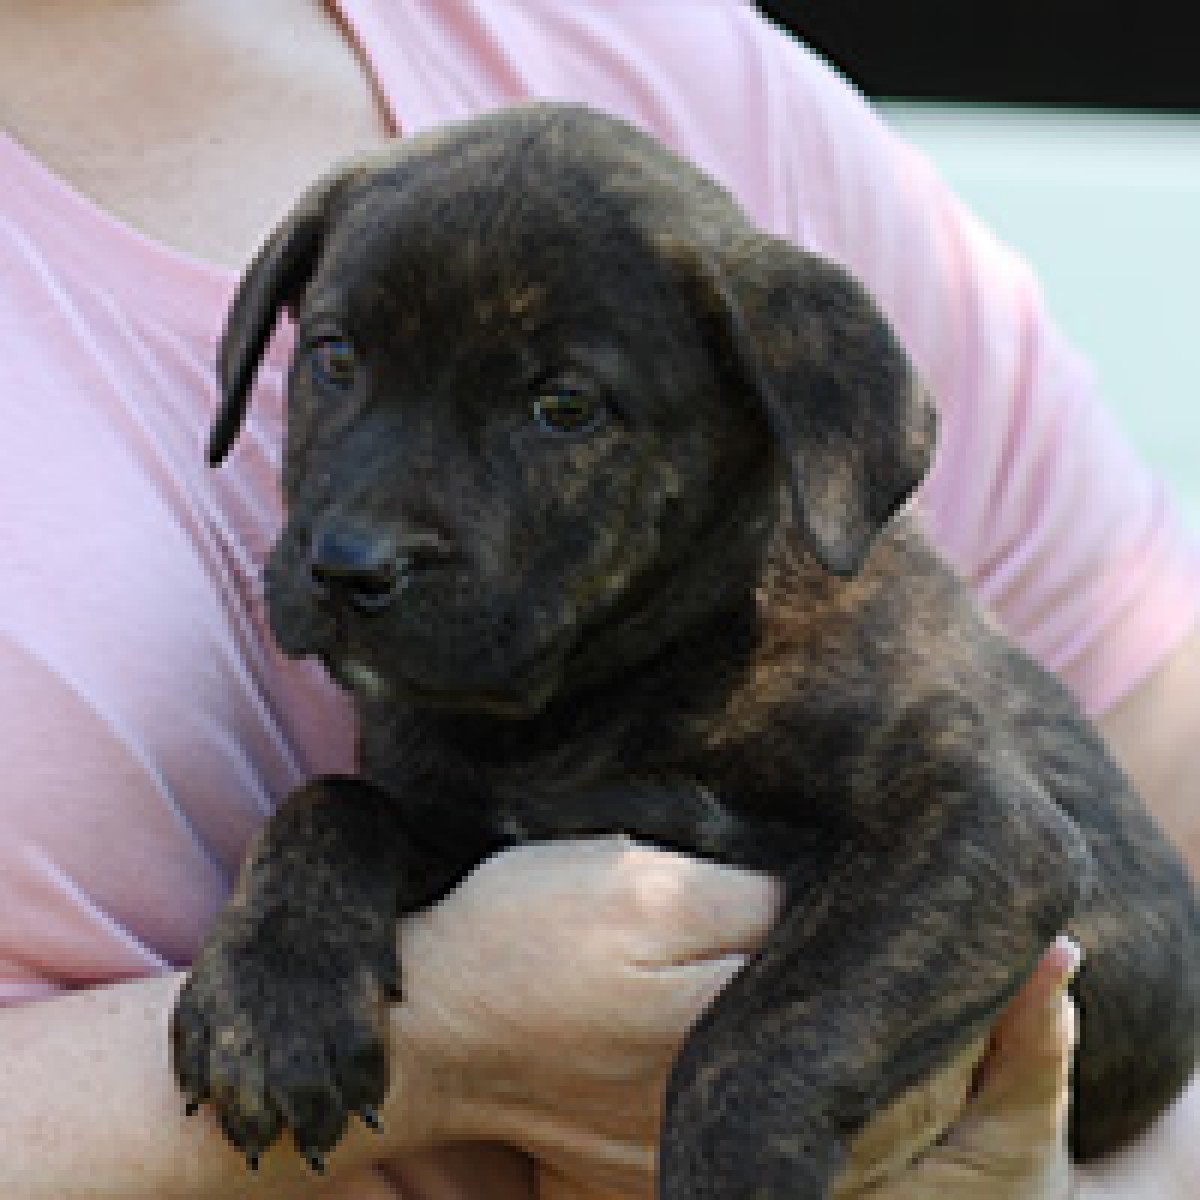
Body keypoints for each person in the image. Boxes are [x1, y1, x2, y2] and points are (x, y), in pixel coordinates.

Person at [0, 1, 1196, 1196]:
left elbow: (1004, 849)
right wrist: (325, 916)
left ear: (764, 425)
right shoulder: (460, 680)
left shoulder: (817, 661)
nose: (361, 534)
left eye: (560, 411)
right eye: (341, 365)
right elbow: (435, 854)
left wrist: (747, 1126)